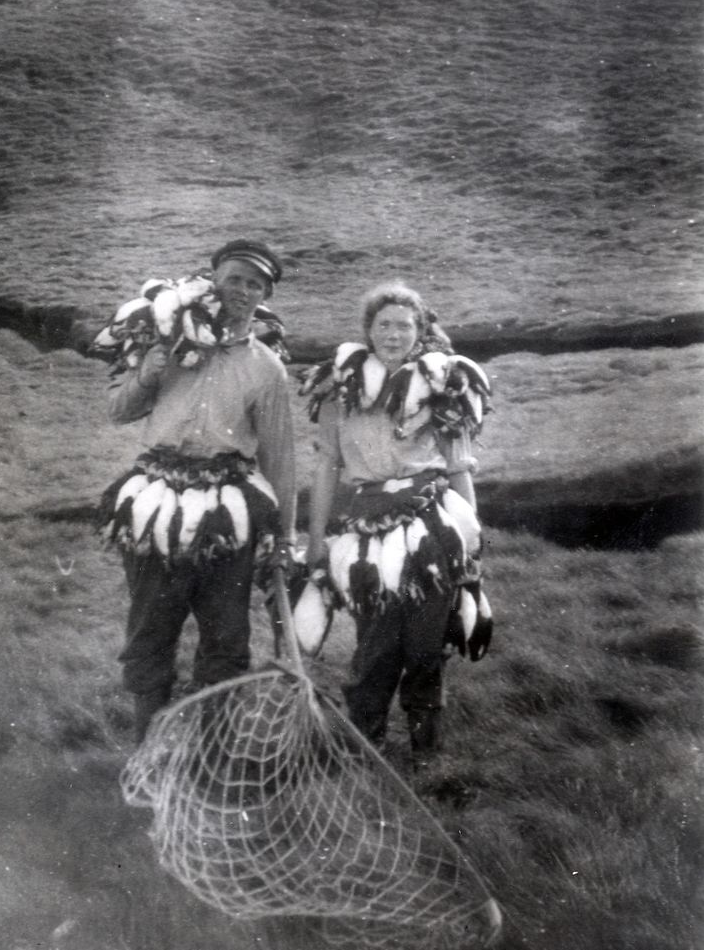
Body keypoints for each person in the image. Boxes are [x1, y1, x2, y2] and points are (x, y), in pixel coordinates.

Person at [97, 238, 297, 742]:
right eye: (234, 279)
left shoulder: (266, 368)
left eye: (255, 285)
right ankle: (147, 752)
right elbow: (118, 411)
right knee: (150, 630)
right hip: (158, 500)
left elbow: (278, 458)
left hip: (227, 510)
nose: (242, 291)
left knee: (226, 639)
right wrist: (147, 374)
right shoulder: (167, 342)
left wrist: (284, 537)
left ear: (265, 295)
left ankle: (213, 752)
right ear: (214, 282)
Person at [303, 281, 492, 771]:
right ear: (367, 329)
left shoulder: (441, 385)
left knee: (427, 644)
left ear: (419, 330)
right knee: (376, 644)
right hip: (368, 525)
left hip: (430, 522)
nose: (393, 334)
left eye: (404, 326)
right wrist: (316, 538)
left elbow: (457, 468)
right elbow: (327, 466)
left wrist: (471, 543)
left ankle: (427, 755)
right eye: (383, 324)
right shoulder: (340, 388)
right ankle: (365, 749)